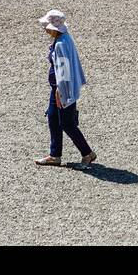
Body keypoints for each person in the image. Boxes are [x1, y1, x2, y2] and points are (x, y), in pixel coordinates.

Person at [34, 10, 95, 167]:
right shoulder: (64, 38)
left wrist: (60, 91)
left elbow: (64, 72)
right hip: (58, 88)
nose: (45, 30)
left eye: (46, 27)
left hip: (62, 89)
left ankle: (87, 153)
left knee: (67, 123)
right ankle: (55, 154)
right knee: (53, 118)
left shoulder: (60, 44)